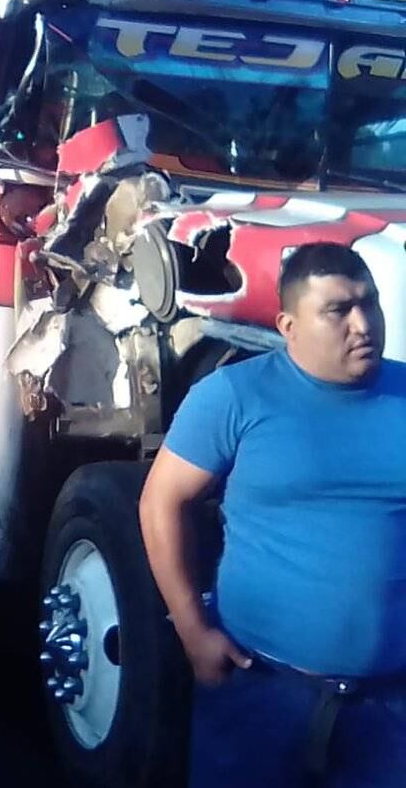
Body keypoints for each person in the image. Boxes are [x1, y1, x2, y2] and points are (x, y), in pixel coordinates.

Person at [139, 242, 406, 788]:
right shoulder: (234, 397)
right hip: (260, 691)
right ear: (288, 325)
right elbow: (161, 501)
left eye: (370, 303)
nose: (363, 325)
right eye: (338, 310)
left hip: (389, 710)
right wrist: (192, 630)